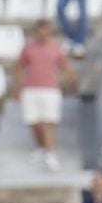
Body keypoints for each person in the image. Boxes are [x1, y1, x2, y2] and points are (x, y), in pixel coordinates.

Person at [15, 21, 70, 170]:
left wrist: (71, 81)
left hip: (50, 89)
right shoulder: (28, 48)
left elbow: (65, 66)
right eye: (41, 31)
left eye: (46, 31)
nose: (43, 34)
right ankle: (42, 148)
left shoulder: (56, 47)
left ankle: (50, 153)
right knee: (34, 122)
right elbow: (20, 66)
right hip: (31, 89)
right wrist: (17, 87)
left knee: (48, 122)